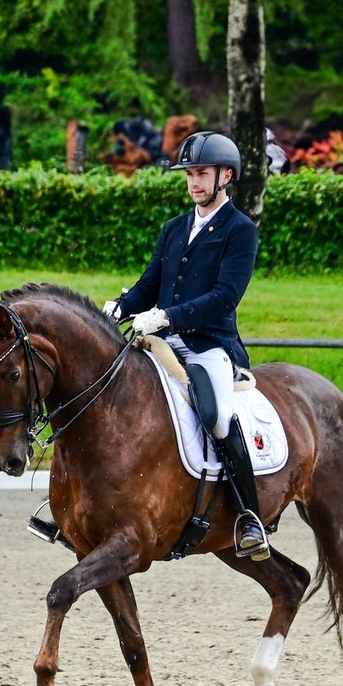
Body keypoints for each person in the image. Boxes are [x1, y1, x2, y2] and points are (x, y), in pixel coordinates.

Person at [102, 130, 269, 560]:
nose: (194, 182)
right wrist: (117, 309)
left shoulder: (240, 230)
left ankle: (250, 515)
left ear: (225, 176)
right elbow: (148, 285)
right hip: (162, 341)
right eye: (189, 174)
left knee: (215, 415)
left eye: (202, 174)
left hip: (209, 345)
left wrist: (169, 316)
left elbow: (224, 298)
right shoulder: (174, 229)